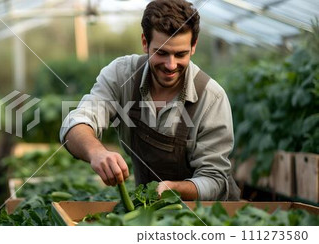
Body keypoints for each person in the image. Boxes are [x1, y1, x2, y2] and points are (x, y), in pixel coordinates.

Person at [59, 0, 240, 200]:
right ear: (145, 42)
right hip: (150, 210)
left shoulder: (211, 98)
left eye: (180, 54)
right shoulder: (122, 75)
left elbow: (214, 179)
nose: (171, 65)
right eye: (161, 53)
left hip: (206, 216)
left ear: (193, 46)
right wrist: (97, 153)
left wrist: (174, 189)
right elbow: (76, 122)